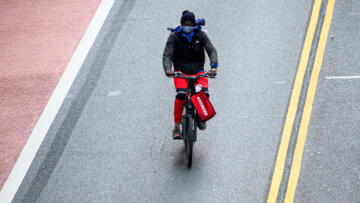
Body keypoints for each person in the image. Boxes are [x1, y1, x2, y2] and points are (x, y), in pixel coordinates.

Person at [163, 10, 218, 139]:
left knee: (204, 93)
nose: (187, 26)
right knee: (181, 95)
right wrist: (168, 69)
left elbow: (212, 51)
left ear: (194, 24)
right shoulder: (174, 36)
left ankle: (200, 117)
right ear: (181, 24)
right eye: (185, 23)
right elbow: (167, 55)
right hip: (180, 73)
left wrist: (213, 67)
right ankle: (177, 126)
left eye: (189, 24)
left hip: (199, 72)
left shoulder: (201, 36)